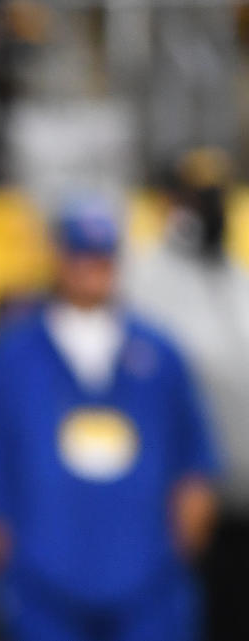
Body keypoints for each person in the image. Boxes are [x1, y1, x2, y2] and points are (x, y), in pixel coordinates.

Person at [0, 198, 218, 641]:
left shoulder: (159, 352)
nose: (91, 270)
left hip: (146, 572)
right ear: (59, 259)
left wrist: (194, 504)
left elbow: (194, 447)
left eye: (101, 259)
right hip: (44, 570)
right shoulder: (15, 352)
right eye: (80, 257)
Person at [122, 146, 249, 641]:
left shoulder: (236, 278)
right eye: (199, 199)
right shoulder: (143, 280)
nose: (209, 211)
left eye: (217, 197)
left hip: (239, 506)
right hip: (172, 503)